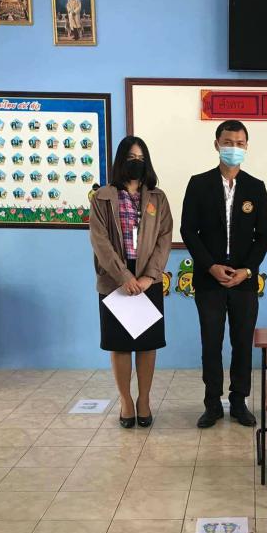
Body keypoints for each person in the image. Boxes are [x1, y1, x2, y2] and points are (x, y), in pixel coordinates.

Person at [180, 119, 267, 428]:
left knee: (242, 343)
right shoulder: (199, 184)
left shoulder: (256, 187)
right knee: (211, 344)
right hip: (210, 280)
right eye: (228, 142)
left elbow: (264, 236)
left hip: (244, 282)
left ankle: (239, 401)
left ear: (247, 147)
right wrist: (210, 266)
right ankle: (212, 404)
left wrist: (247, 270)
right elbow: (188, 231)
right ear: (217, 144)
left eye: (240, 143)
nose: (234, 148)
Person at [89, 136, 172, 428]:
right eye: (131, 158)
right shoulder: (102, 197)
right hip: (115, 279)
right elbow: (99, 241)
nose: (136, 163)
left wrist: (150, 276)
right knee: (120, 344)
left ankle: (144, 400)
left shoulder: (157, 197)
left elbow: (165, 237)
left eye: (141, 158)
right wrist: (123, 276)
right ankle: (125, 401)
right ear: (121, 161)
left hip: (149, 278)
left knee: (147, 344)